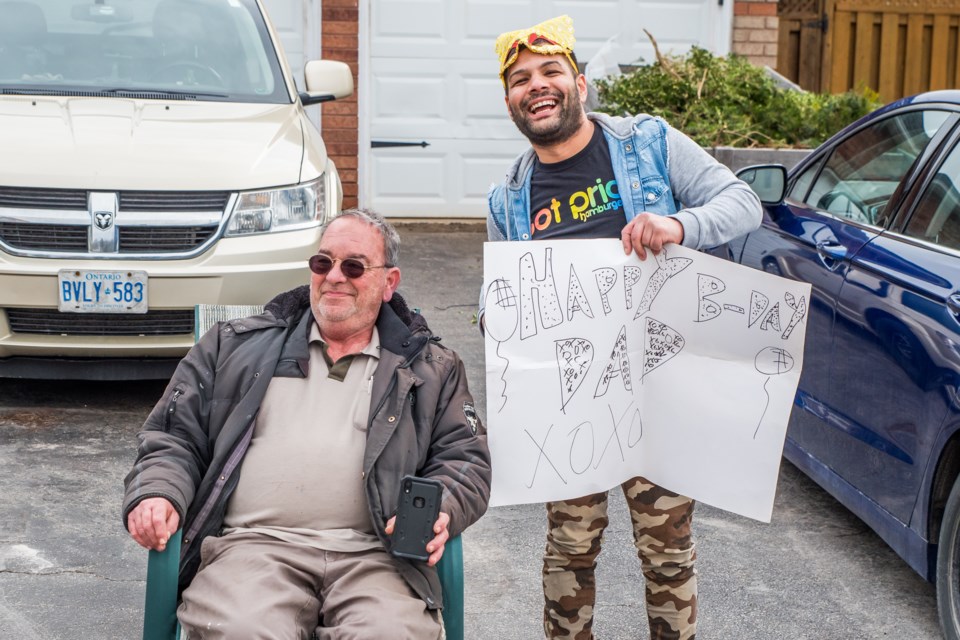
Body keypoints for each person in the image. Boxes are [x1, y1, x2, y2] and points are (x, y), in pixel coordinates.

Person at [485, 15, 762, 640]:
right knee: (569, 550)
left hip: (657, 385)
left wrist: (678, 226)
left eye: (551, 72)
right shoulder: (508, 196)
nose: (538, 86)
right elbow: (498, 294)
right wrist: (498, 321)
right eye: (521, 79)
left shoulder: (647, 144)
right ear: (510, 102)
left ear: (580, 82)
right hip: (570, 395)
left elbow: (743, 202)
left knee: (666, 550)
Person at [123, 208, 491, 639]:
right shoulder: (234, 346)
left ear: (389, 283)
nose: (335, 276)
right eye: (323, 262)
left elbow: (466, 459)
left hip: (377, 559)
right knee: (242, 630)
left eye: (353, 266)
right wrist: (158, 493)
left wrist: (442, 506)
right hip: (253, 551)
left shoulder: (432, 368)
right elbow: (173, 437)